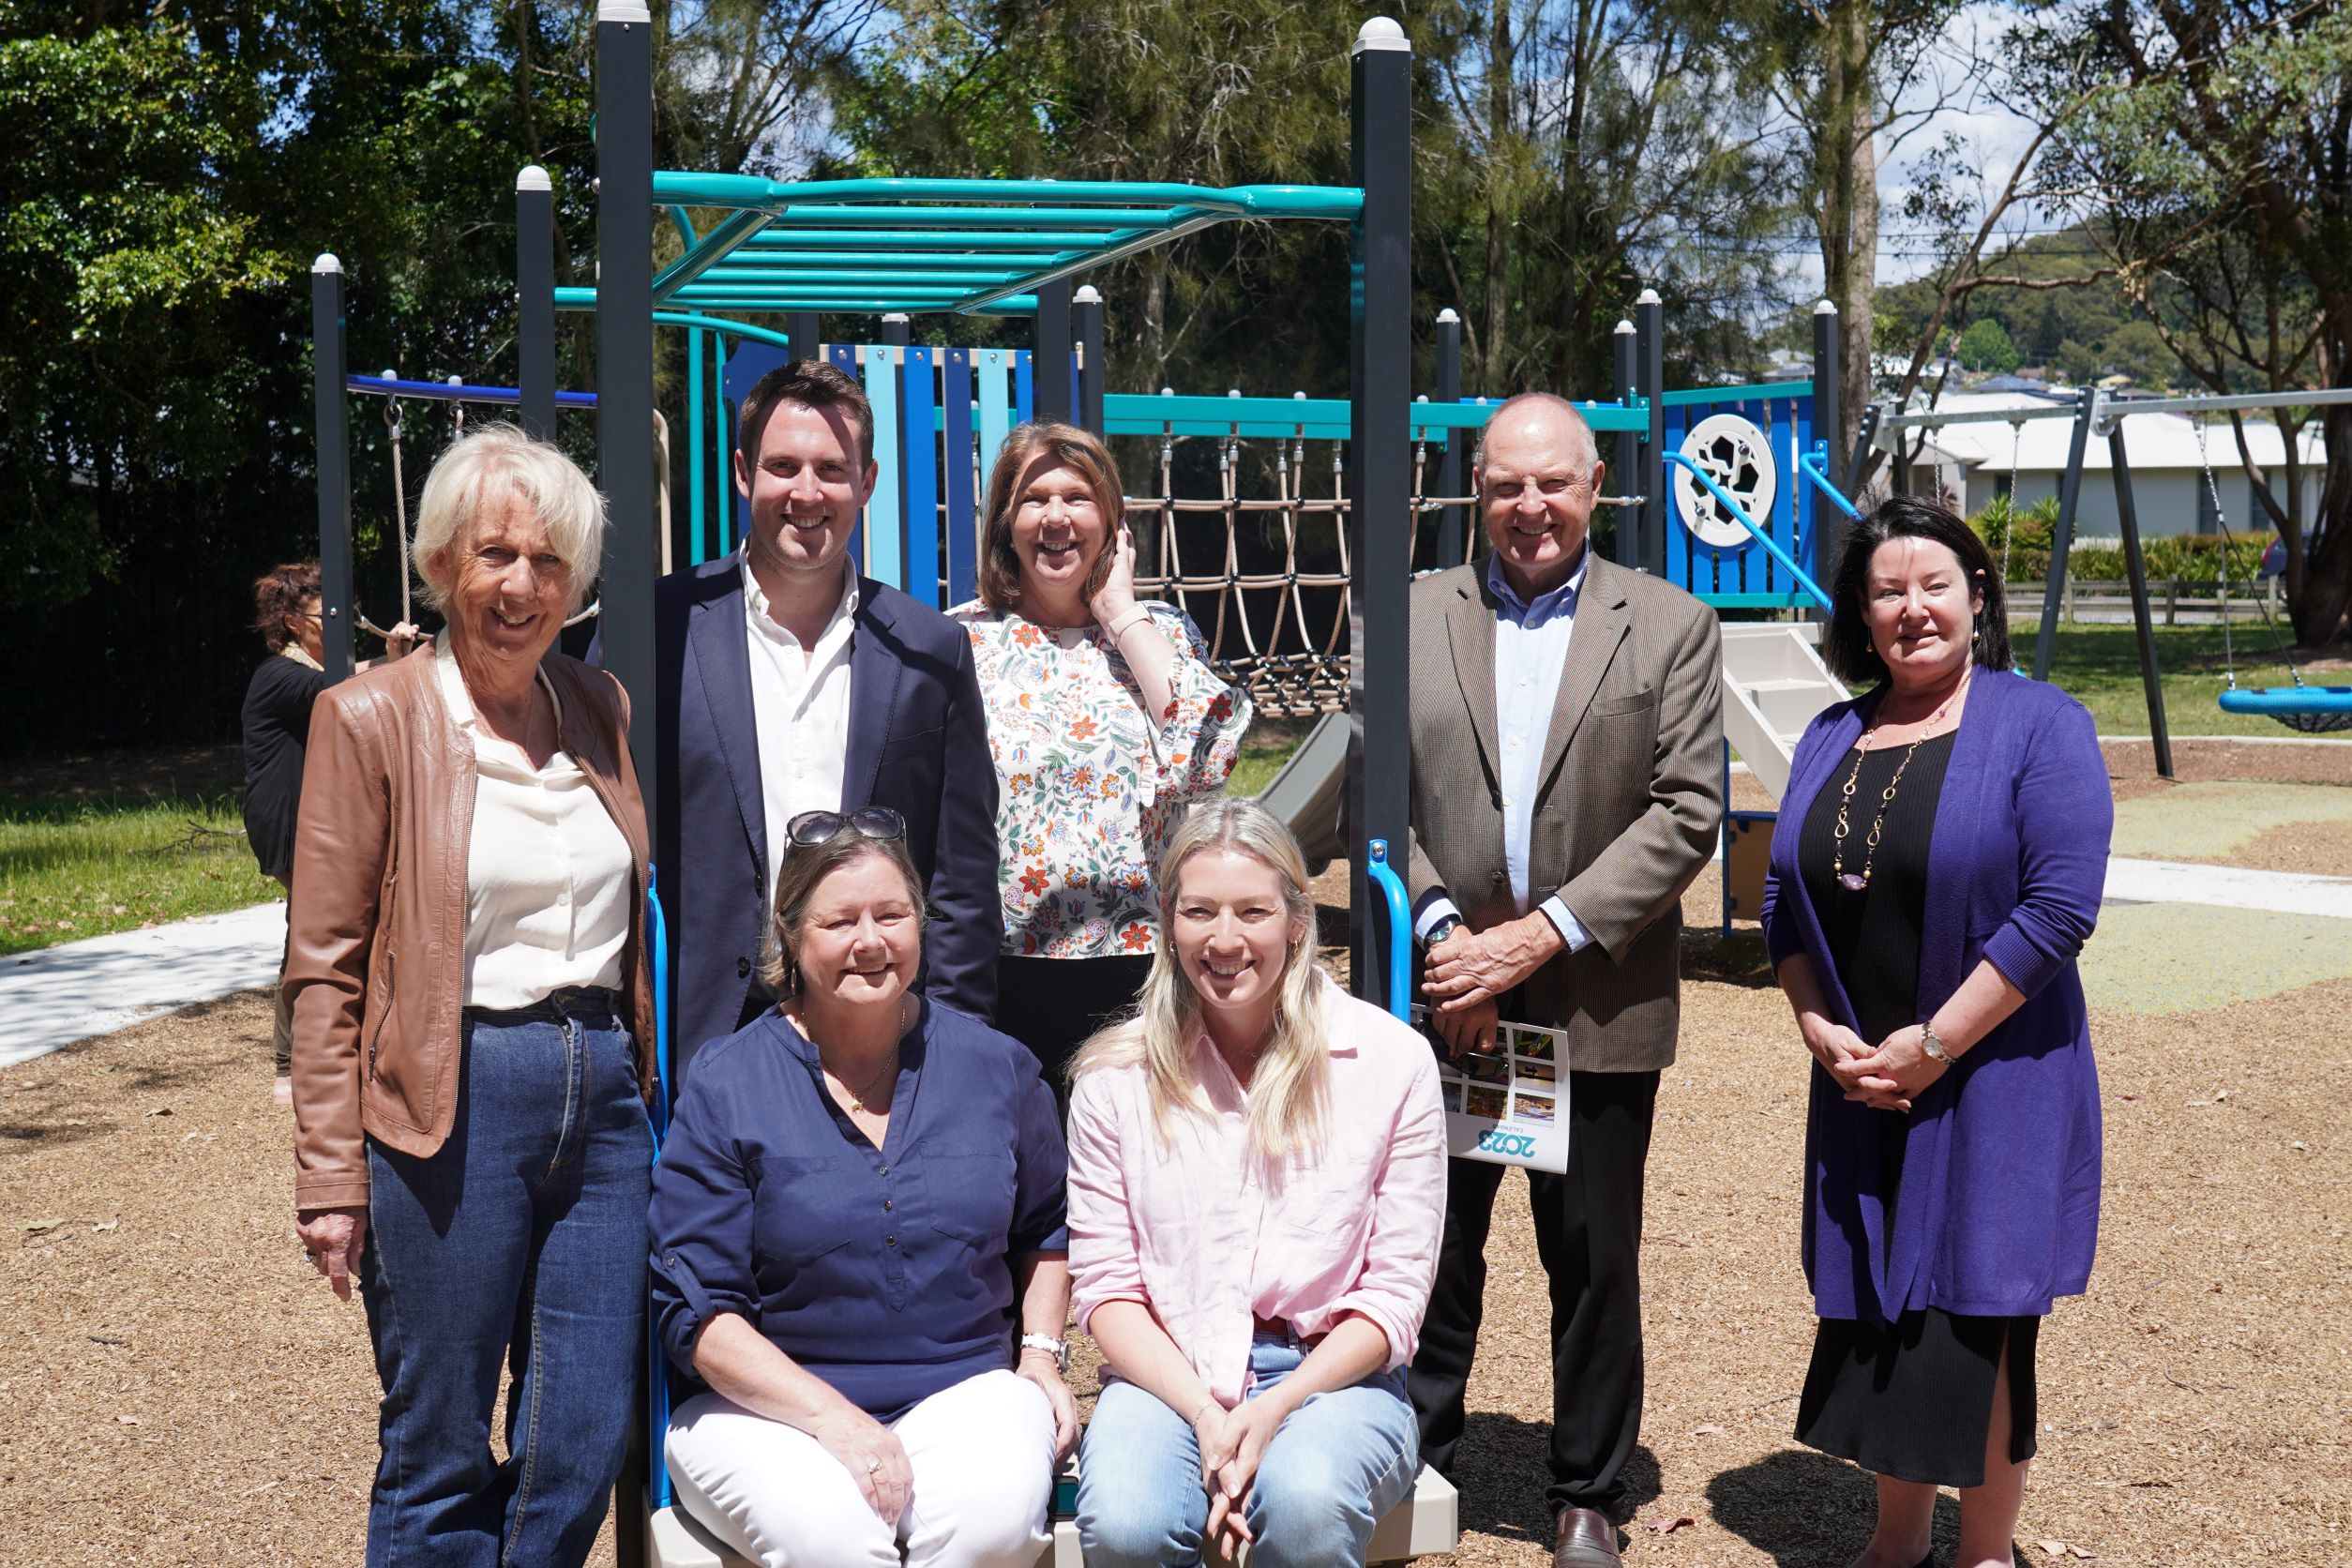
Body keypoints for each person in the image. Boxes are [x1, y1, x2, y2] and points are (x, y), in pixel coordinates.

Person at [285, 425, 656, 1567]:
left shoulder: (600, 705)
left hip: (603, 1099)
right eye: (494, 554)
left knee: (581, 1435)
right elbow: (325, 960)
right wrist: (329, 1176)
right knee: (440, 1448)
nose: (520, 585)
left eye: (548, 563)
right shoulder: (369, 718)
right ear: (442, 562)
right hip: (450, 1100)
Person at [1402, 392, 1724, 1568]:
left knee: (1591, 1253)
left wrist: (1538, 936)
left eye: (1552, 483)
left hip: (1596, 994)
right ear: (1474, 493)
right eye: (1504, 485)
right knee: (1430, 1243)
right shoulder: (1412, 614)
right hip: (1444, 996)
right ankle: (1413, 1455)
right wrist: (1447, 937)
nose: (1529, 507)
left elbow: (1688, 809)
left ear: (1596, 488)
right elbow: (1375, 790)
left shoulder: (1673, 623)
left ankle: (1586, 1484)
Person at [1761, 495, 2108, 1568]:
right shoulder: (1832, 733)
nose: (1912, 609)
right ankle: (1897, 1538)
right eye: (1886, 590)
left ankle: (1984, 1552)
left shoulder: (2040, 722)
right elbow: (1784, 901)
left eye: (1933, 585)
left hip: (1990, 1075)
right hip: (1864, 1076)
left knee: (1977, 1313)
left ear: (1976, 595)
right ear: (1860, 616)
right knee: (1875, 1305)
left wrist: (1936, 1043)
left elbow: (2058, 909)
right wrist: (1822, 1028)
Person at [651, 810, 1075, 1568]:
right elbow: (699, 1313)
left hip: (966, 1391)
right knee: (834, 1541)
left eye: (892, 914)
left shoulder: (995, 1067)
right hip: (770, 1410)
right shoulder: (729, 1083)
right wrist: (835, 1422)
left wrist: (1040, 1356)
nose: (870, 941)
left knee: (992, 1526)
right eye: (839, 921)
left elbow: (1048, 1225)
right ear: (790, 934)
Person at [1067, 799, 1446, 1568]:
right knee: (1129, 1524)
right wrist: (1208, 1417)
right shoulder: (1115, 1079)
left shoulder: (1392, 1063)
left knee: (1305, 1505)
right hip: (1166, 1375)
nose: (1226, 939)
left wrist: (1272, 1409)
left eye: (1253, 911)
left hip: (1334, 1378)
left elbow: (1395, 1296)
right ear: (1169, 922)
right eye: (1200, 912)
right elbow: (1106, 1291)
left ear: (1298, 921)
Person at [652, 359, 1001, 1072]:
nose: (806, 494)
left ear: (866, 481)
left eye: (831, 470)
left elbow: (961, 878)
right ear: (745, 473)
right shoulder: (657, 629)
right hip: (703, 1033)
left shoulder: (930, 650)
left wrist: (955, 1046)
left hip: (880, 1029)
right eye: (784, 466)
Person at [949, 420, 1250, 1089]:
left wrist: (1120, 614)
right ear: (1005, 521)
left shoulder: (1159, 634)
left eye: (1078, 497)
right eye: (1034, 498)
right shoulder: (960, 642)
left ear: (1113, 523)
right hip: (1000, 966)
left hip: (1143, 966)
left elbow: (1211, 758)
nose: (1056, 517)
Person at [241, 564, 414, 1104]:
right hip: (289, 822)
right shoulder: (279, 675)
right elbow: (336, 689)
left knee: (318, 929)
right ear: (292, 623)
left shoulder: (305, 672)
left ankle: (318, 1055)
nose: (340, 626)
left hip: (315, 820)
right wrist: (394, 663)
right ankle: (291, 1065)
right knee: (311, 934)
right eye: (328, 618)